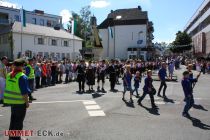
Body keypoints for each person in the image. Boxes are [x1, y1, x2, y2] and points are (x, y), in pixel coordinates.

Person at [4, 59, 30, 140]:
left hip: (11, 101)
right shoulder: (22, 76)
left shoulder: (9, 75)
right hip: (20, 102)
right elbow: (24, 93)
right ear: (22, 66)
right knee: (18, 121)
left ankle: (11, 137)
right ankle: (16, 138)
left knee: (13, 120)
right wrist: (27, 102)